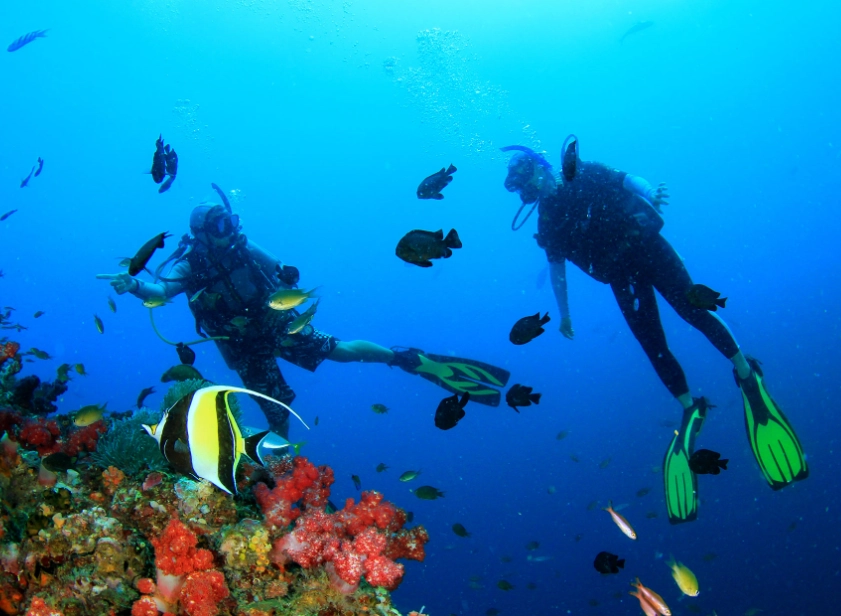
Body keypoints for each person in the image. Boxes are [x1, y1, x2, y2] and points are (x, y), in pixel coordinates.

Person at [501, 138, 808, 523]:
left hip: (648, 246)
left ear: (540, 166)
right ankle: (688, 407)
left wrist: (651, 192)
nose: (531, 187)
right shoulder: (547, 221)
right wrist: (564, 315)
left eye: (528, 176)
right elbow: (557, 270)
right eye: (521, 186)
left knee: (694, 311)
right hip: (620, 275)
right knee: (652, 344)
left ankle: (746, 374)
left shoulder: (583, 171)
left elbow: (627, 179)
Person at [105, 194, 509, 439]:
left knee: (340, 350)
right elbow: (161, 291)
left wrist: (287, 275)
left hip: (278, 322)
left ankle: (401, 356)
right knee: (276, 410)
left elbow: (281, 266)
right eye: (222, 226)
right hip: (241, 346)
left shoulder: (244, 246)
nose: (230, 230)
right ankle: (279, 471)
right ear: (205, 231)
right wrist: (134, 285)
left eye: (231, 222)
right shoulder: (190, 264)